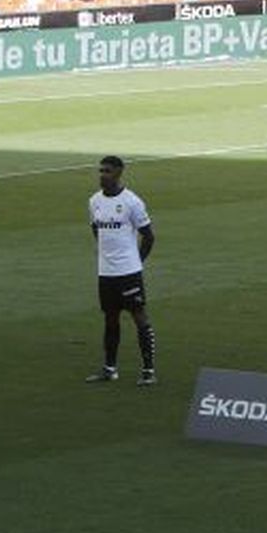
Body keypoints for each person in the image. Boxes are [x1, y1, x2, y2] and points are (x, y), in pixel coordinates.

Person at [85, 155, 157, 386]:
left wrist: (137, 263)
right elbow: (97, 230)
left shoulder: (132, 202)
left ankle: (148, 371)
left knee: (139, 318)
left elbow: (148, 236)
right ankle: (109, 369)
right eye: (100, 171)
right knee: (110, 319)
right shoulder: (94, 201)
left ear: (118, 173)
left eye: (106, 171)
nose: (102, 175)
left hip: (129, 273)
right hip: (106, 273)